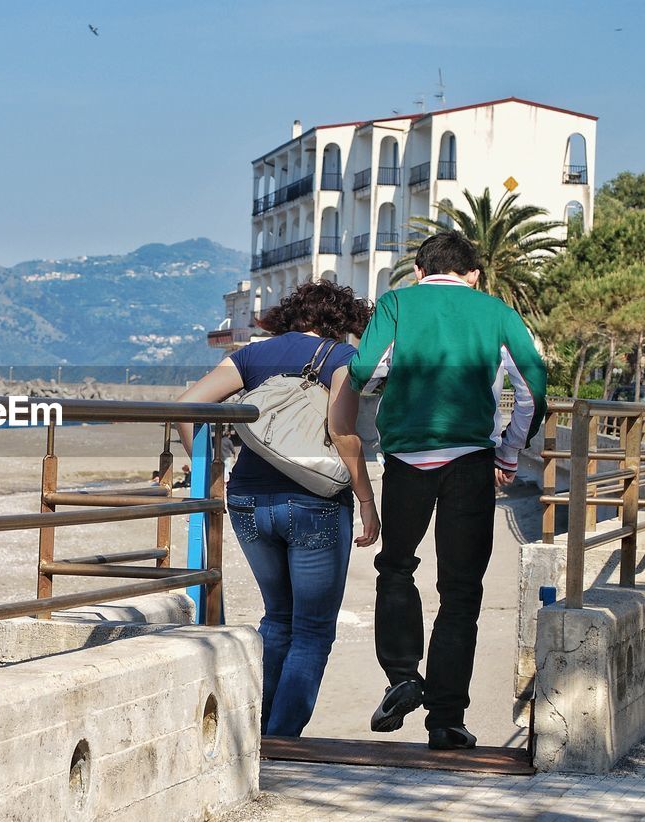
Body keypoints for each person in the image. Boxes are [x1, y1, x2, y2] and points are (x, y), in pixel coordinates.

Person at [348, 231, 546, 751]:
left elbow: (365, 371)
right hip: (470, 463)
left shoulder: (396, 303)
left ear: (418, 272)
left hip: (408, 460)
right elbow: (531, 386)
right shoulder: (495, 312)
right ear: (474, 275)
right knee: (461, 593)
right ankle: (447, 721)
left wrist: (391, 383)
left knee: (395, 567)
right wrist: (508, 452)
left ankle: (402, 676)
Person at [176, 280, 379, 737]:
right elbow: (343, 431)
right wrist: (366, 500)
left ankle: (254, 733)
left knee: (278, 618)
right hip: (314, 500)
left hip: (247, 498)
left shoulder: (251, 355)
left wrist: (212, 470)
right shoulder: (342, 359)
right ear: (339, 321)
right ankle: (282, 739)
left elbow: (187, 406)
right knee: (312, 629)